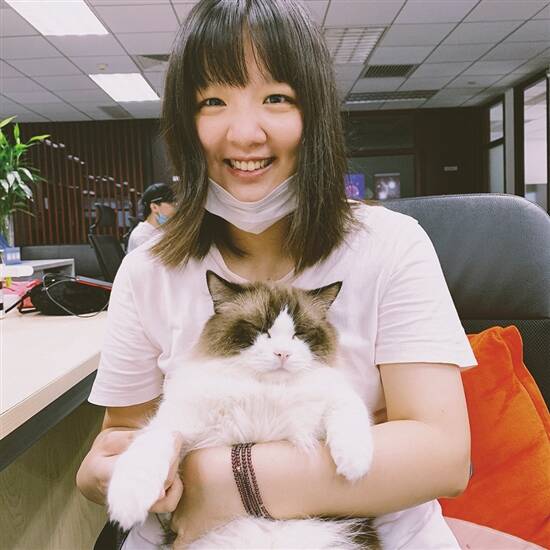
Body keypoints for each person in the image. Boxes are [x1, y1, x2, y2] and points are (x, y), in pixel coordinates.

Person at [77, 1, 476, 548]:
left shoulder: (391, 245)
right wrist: (106, 473)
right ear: (184, 126)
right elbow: (120, 435)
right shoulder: (149, 269)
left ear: (315, 116)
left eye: (276, 99)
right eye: (213, 101)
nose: (245, 134)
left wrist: (221, 481)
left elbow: (443, 456)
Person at [126, 183, 176, 253]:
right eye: (172, 204)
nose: (175, 209)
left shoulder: (163, 230)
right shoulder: (141, 236)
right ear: (154, 207)